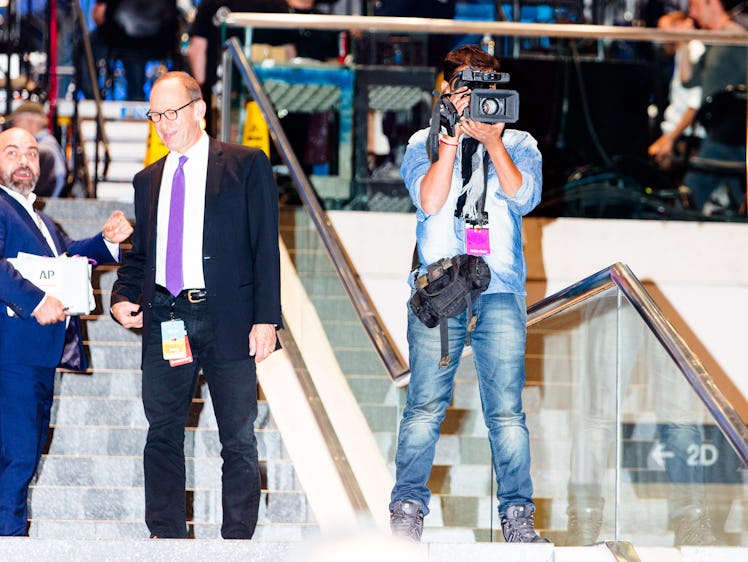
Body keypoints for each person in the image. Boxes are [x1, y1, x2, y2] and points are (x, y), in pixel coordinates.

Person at [110, 71, 281, 539]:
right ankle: (166, 537)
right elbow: (141, 255)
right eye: (155, 116)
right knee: (162, 431)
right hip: (168, 317)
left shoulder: (246, 164)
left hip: (228, 318)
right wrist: (122, 297)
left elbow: (266, 245)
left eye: (172, 113)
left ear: (199, 109)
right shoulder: (147, 179)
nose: (163, 125)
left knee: (238, 437)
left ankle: (237, 539)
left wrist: (266, 318)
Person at [389, 45, 548, 543]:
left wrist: (494, 143)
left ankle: (518, 517)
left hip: (498, 290)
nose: (474, 97)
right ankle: (406, 512)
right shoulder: (422, 142)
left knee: (506, 413)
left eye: (484, 88)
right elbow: (430, 199)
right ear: (444, 89)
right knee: (423, 406)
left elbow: (525, 197)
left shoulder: (520, 140)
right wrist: (452, 142)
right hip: (439, 292)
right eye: (463, 87)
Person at [0, 127, 133, 536]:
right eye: (11, 152)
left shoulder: (38, 218)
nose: (24, 160)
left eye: (32, 154)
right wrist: (37, 301)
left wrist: (106, 242)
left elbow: (68, 256)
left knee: (21, 456)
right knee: (18, 458)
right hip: (12, 354)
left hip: (36, 356)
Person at [188, 0, 338, 136]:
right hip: (273, 94)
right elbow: (289, 52)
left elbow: (197, 49)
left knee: (227, 146)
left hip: (227, 92)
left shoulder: (212, 3)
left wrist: (201, 88)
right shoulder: (278, 5)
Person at [679, 0, 747, 214]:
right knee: (738, 200)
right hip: (722, 133)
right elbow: (688, 80)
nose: (692, 13)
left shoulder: (737, 38)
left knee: (691, 193)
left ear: (712, 4)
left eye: (695, 5)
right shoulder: (714, 41)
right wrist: (683, 44)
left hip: (729, 133)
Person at [647, 11, 705, 176]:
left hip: (684, 137)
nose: (663, 38)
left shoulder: (695, 50)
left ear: (681, 25)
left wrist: (670, 139)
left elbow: (694, 104)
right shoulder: (682, 51)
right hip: (678, 134)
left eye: (665, 31)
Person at [91, 0, 180, 100]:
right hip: (162, 39)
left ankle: (90, 100)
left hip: (125, 40)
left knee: (85, 47)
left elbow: (99, 15)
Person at [6, 101, 69, 198]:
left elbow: (31, 192)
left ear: (30, 120)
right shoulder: (49, 145)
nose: (14, 127)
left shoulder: (43, 151)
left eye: (16, 122)